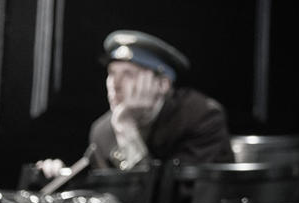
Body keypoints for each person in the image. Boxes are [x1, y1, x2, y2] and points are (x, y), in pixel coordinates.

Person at [33, 30, 231, 180]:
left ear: (162, 84)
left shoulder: (201, 116)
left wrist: (127, 129)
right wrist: (60, 177)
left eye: (128, 74)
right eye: (112, 73)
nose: (115, 84)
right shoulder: (103, 131)